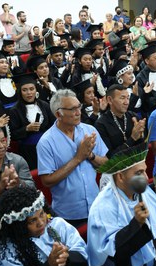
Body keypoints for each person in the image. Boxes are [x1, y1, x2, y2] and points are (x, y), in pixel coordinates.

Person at [36, 89, 108, 227]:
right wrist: (78, 158)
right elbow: (47, 181)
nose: (78, 112)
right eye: (73, 109)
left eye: (79, 107)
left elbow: (106, 164)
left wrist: (90, 155)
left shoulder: (89, 131)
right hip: (68, 215)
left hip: (96, 206)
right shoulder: (46, 142)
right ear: (59, 114)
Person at [9, 73, 55, 170]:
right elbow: (13, 135)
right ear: (20, 92)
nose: (29, 93)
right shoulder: (15, 111)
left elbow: (54, 125)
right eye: (24, 90)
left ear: (36, 90)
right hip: (28, 151)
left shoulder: (44, 105)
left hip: (48, 147)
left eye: (31, 89)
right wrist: (26, 129)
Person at [95, 84, 145, 158]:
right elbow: (110, 157)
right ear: (110, 100)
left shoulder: (133, 117)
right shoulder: (101, 124)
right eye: (122, 98)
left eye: (128, 98)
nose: (126, 102)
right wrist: (132, 138)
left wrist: (141, 135)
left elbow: (142, 148)